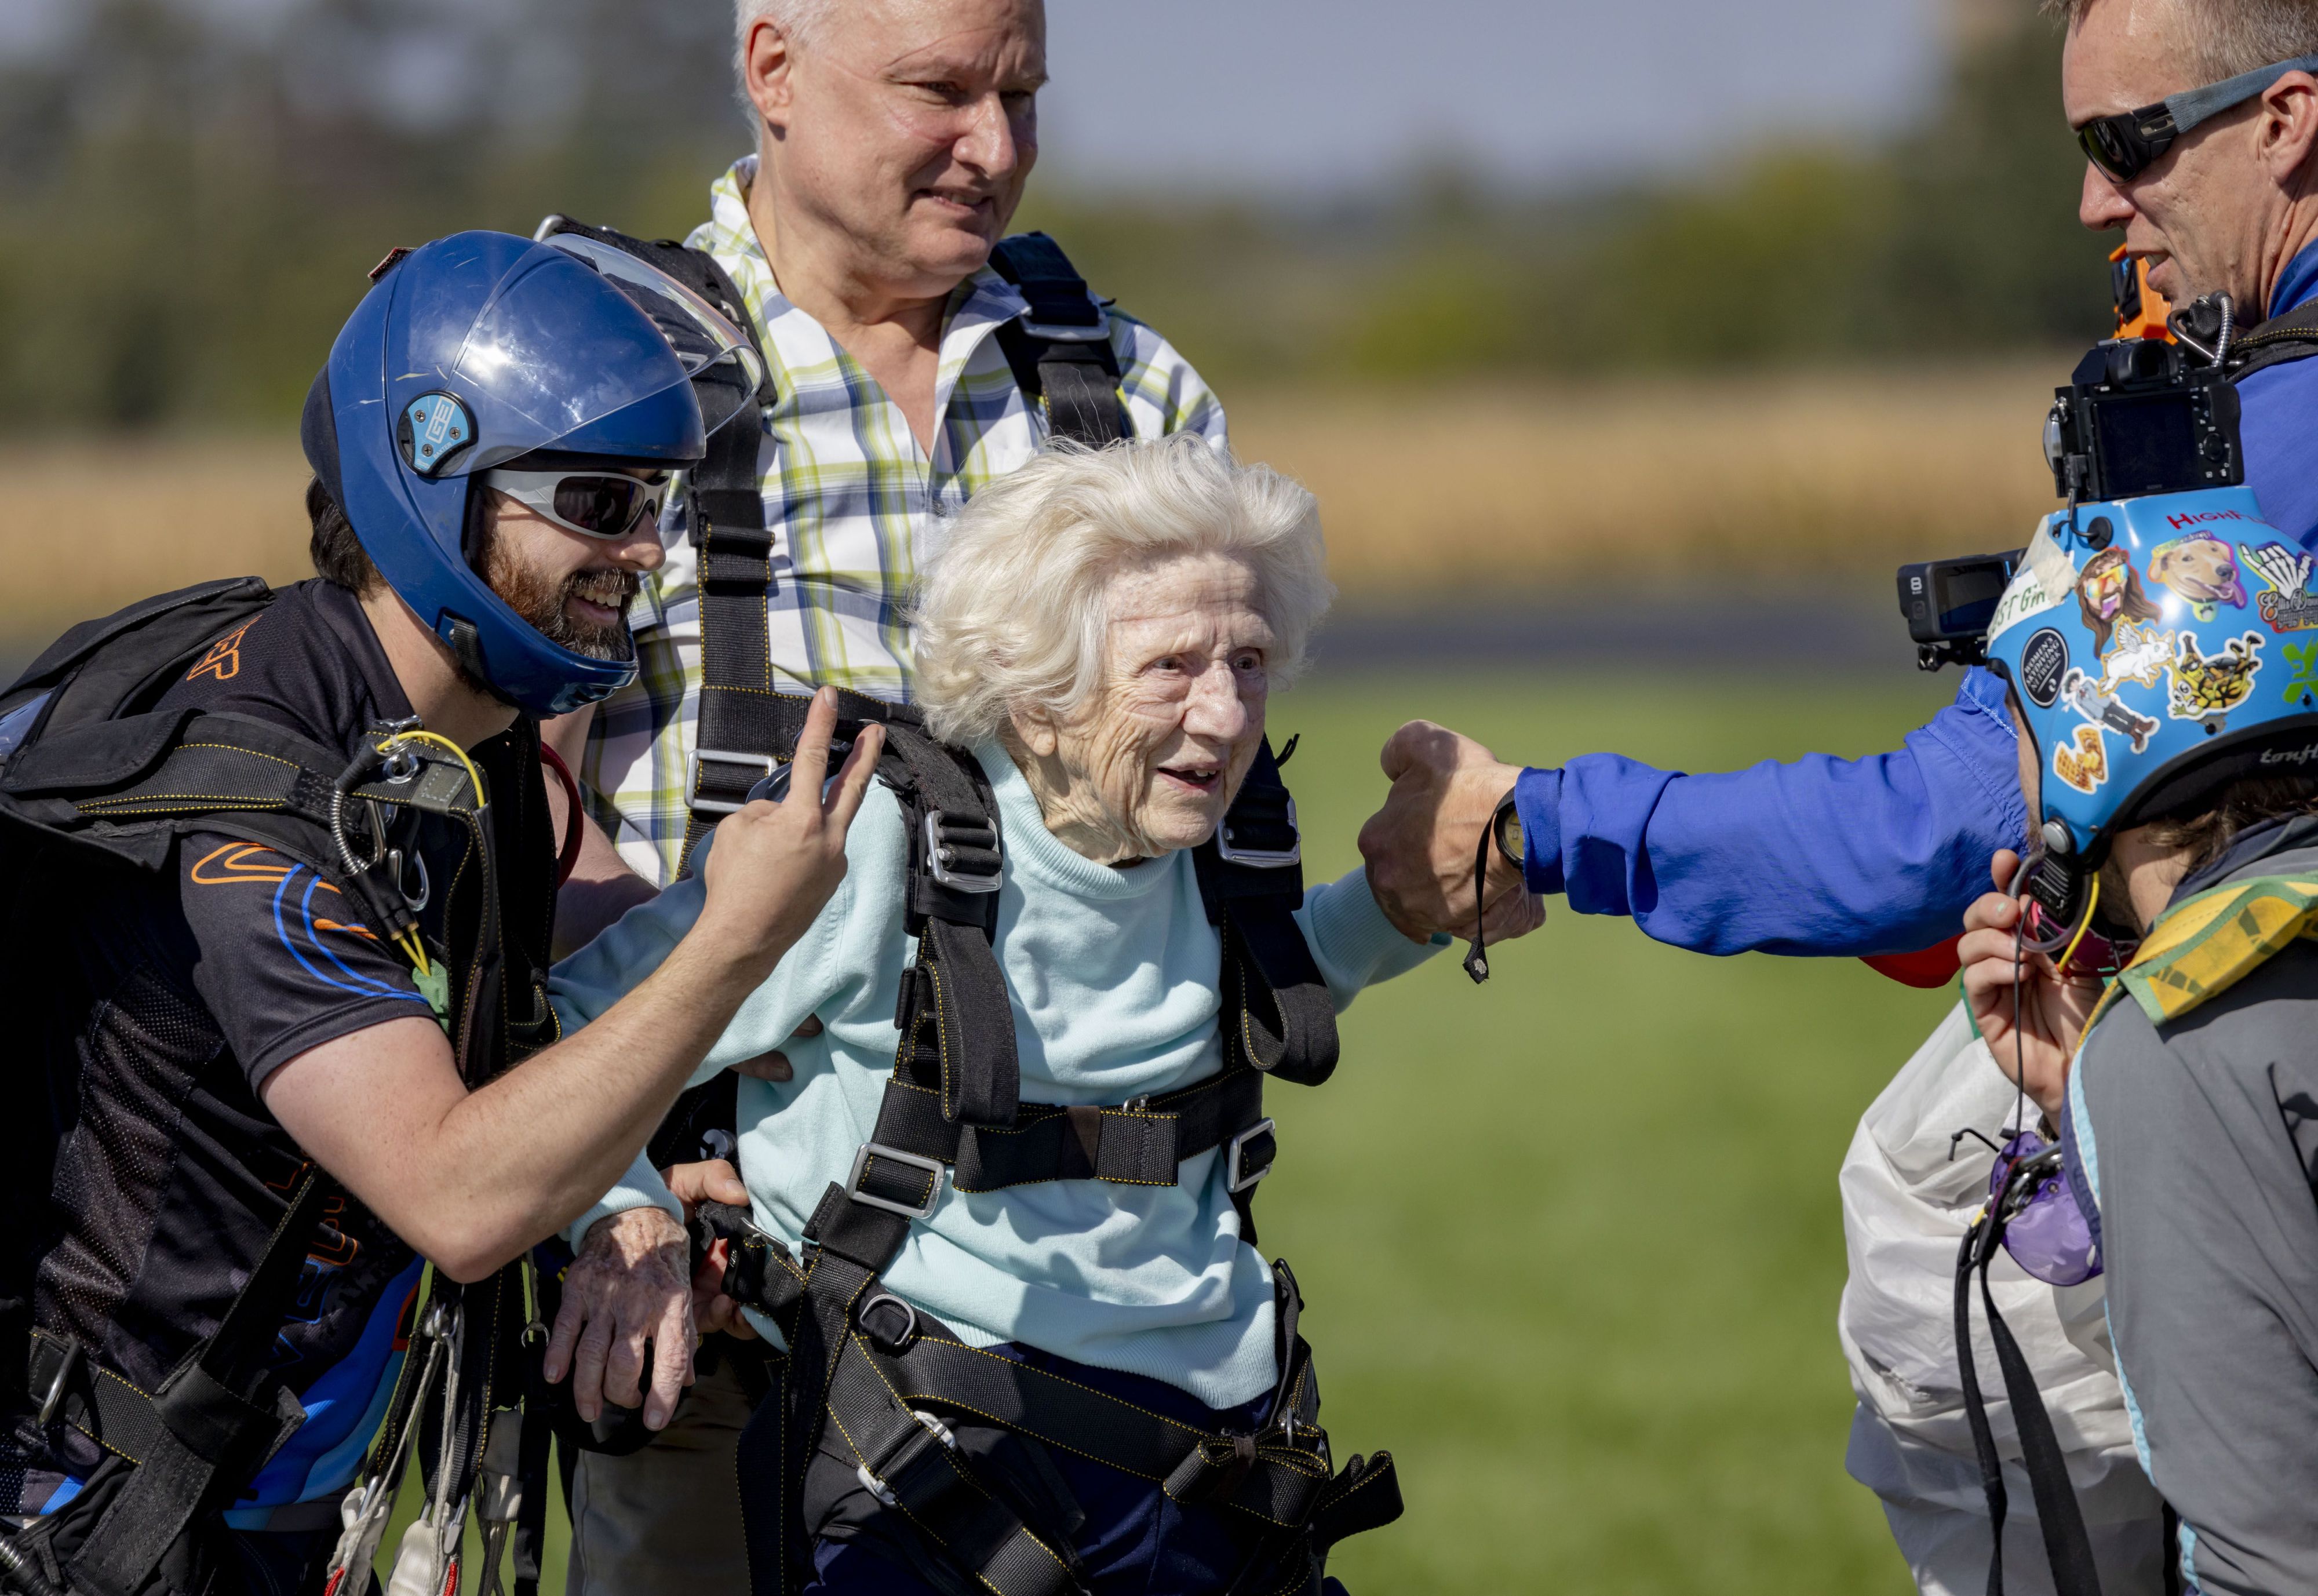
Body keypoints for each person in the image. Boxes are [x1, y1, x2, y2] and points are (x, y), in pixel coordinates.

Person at [1352, 0, 2318, 1588]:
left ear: (2284, 121)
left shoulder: (2280, 431)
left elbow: (1935, 828)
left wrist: (1541, 821)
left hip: (2236, 1047)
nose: (2092, 201)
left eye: (2128, 144)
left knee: (1943, 1226)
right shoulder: (2238, 374)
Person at [0, 230, 883, 1596]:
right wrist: (734, 940)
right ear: (434, 477)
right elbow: (457, 1191)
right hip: (101, 1532)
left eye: (656, 502)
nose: (646, 552)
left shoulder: (452, 745)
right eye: (597, 501)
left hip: (258, 1519)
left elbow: (552, 986)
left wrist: (628, 1200)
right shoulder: (255, 812)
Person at [549, 438, 1542, 1595]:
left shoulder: (1222, 834)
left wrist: (1403, 903)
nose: (1222, 717)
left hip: (1228, 1456)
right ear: (1035, 686)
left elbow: (1240, 993)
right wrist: (626, 1225)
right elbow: (577, 1029)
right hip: (933, 1468)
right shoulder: (870, 843)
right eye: (1171, 666)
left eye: (1250, 660)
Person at [535, 0, 1230, 1586]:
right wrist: (618, 1201)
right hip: (712, 1295)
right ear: (774, 68)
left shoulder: (1132, 397)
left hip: (1086, 1306)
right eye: (941, 89)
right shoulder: (600, 378)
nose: (997, 146)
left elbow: (1198, 870)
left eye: (1024, 94)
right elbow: (528, 846)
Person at [1959, 506, 2318, 1594]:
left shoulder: (2173, 1043)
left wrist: (2127, 1088)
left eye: (2017, 728)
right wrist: (2089, 1110)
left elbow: (2267, 1547)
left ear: (2094, 739)